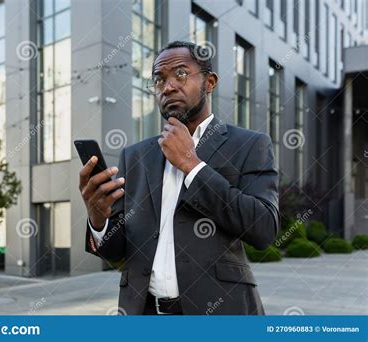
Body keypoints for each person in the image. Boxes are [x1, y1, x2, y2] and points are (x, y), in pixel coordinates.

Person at [79, 41, 279, 315]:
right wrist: (98, 219)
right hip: (144, 312)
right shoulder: (135, 156)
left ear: (209, 82)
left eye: (181, 74)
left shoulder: (249, 145)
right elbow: (117, 252)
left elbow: (264, 229)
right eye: (159, 80)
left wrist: (192, 165)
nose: (168, 86)